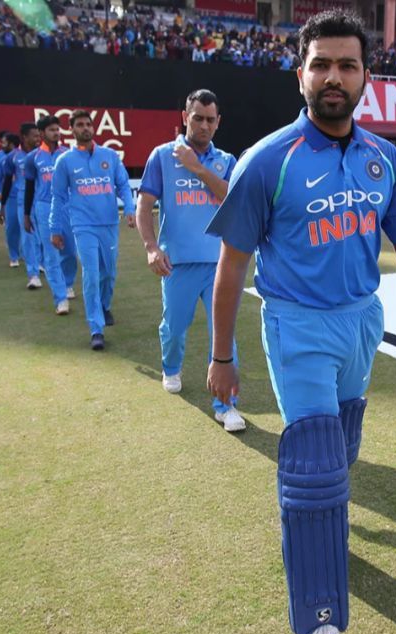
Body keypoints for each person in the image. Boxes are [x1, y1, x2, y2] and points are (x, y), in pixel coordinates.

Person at [204, 10, 396, 634]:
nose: (333, 77)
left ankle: (312, 519)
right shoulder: (267, 162)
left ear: (366, 77)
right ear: (300, 75)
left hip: (361, 326)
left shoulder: (383, 159)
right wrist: (223, 356)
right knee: (317, 472)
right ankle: (321, 626)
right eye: (321, 64)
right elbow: (231, 269)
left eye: (347, 65)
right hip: (297, 327)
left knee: (339, 457)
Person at [136, 89, 244, 432]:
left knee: (222, 336)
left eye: (211, 119)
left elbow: (232, 198)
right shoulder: (161, 156)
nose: (204, 125)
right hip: (177, 263)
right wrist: (151, 247)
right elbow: (144, 206)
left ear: (218, 122)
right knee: (174, 329)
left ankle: (226, 405)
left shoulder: (226, 160)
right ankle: (171, 367)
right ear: (185, 117)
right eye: (197, 117)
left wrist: (197, 168)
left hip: (219, 264)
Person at [50, 110, 136, 351]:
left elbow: (123, 184)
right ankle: (95, 328)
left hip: (108, 223)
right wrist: (54, 227)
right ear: (72, 129)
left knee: (108, 272)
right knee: (90, 273)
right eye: (80, 125)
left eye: (88, 124)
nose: (85, 128)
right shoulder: (64, 161)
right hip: (82, 225)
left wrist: (130, 208)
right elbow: (57, 197)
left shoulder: (109, 156)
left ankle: (104, 305)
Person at [26, 115, 75, 315]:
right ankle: (60, 298)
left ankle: (68, 282)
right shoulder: (33, 158)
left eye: (58, 129)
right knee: (51, 254)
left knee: (70, 251)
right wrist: (26, 215)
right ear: (42, 133)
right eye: (52, 130)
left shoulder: (67, 154)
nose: (56, 133)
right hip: (44, 207)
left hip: (66, 207)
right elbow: (30, 187)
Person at [12, 122, 42, 289]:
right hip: (23, 200)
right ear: (24, 137)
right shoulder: (14, 157)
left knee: (45, 236)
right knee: (28, 236)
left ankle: (42, 263)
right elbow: (7, 179)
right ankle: (33, 275)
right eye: (35, 136)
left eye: (39, 135)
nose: (38, 138)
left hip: (43, 199)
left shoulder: (43, 155)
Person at [0, 130, 22, 267]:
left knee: (30, 228)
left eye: (3, 142)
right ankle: (14, 256)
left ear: (11, 143)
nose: (1, 144)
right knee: (12, 228)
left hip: (25, 195)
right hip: (10, 197)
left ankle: (31, 256)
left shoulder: (24, 155)